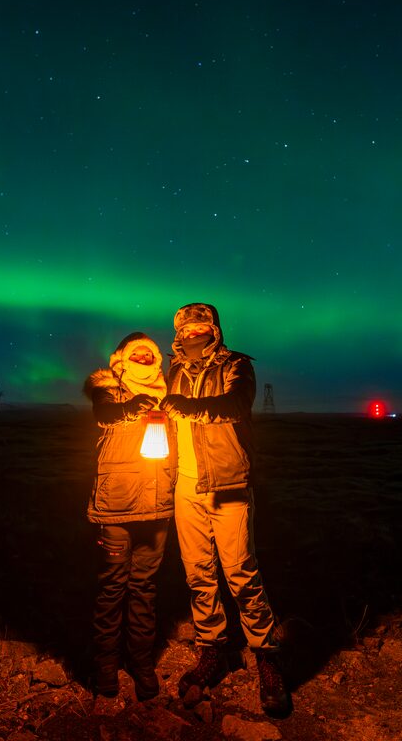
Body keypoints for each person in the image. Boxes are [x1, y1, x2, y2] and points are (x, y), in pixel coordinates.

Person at [158, 303, 291, 718]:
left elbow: (236, 405)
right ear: (178, 334)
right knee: (198, 573)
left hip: (230, 482)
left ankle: (266, 656)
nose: (195, 333)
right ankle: (212, 649)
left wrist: (189, 409)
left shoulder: (236, 366)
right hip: (186, 485)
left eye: (202, 326)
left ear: (214, 329)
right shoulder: (174, 371)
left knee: (240, 572)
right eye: (187, 328)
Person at [82, 332, 175, 700]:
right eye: (135, 352)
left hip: (157, 506)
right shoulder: (109, 388)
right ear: (120, 359)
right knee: (112, 587)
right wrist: (129, 408)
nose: (143, 356)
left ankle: (141, 663)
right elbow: (104, 413)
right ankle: (106, 666)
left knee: (145, 589)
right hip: (117, 506)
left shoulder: (168, 396)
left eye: (149, 352)